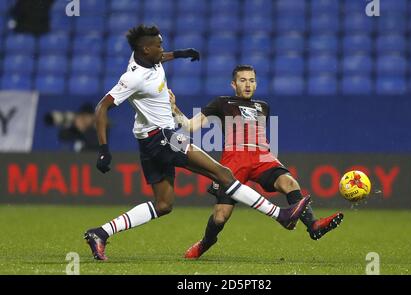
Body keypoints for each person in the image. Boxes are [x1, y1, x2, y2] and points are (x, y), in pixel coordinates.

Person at [84, 25, 310, 261]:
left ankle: (100, 233)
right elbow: (102, 107)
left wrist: (180, 54)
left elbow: (162, 57)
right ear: (145, 49)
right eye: (159, 46)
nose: (163, 50)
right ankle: (280, 215)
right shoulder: (133, 78)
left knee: (163, 204)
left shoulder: (149, 58)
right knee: (223, 174)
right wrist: (103, 149)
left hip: (148, 140)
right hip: (163, 137)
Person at [170, 65, 344, 259]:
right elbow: (190, 126)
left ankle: (313, 225)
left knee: (290, 183)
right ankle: (206, 242)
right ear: (233, 84)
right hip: (234, 159)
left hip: (262, 156)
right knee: (220, 216)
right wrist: (175, 109)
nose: (248, 85)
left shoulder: (263, 106)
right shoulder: (221, 103)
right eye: (243, 80)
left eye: (252, 80)